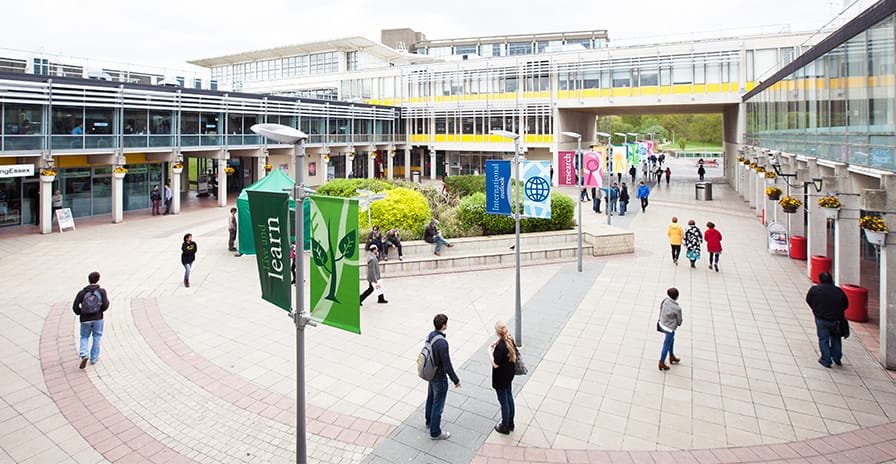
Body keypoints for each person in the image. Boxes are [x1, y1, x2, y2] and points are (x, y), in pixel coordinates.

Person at [424, 313, 460, 440]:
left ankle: (429, 421)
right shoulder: (442, 343)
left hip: (430, 373)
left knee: (431, 397)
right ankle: (435, 432)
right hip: (439, 376)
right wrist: (455, 380)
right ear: (444, 325)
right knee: (438, 404)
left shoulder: (431, 335)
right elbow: (447, 365)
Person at [806, 272, 849, 368]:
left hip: (822, 319)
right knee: (836, 338)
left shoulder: (815, 290)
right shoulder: (838, 291)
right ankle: (837, 357)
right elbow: (845, 304)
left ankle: (826, 359)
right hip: (836, 319)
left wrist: (816, 310)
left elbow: (809, 300)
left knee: (823, 339)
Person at [72, 271, 110, 369]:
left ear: (88, 280)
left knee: (84, 336)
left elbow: (75, 306)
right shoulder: (101, 291)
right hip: (98, 318)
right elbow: (105, 305)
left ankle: (84, 354)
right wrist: (100, 311)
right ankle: (94, 358)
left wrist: (81, 313)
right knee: (97, 336)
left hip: (85, 319)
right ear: (98, 279)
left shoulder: (82, 293)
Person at [490, 321, 516, 434]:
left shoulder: (500, 348)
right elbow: (503, 342)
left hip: (500, 378)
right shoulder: (509, 340)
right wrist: (496, 343)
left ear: (497, 333)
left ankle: (504, 426)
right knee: (509, 396)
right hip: (509, 375)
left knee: (503, 401)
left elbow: (495, 364)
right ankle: (510, 422)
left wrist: (489, 352)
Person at [657, 287, 682, 371]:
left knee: (671, 340)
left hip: (662, 324)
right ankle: (662, 362)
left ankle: (671, 356)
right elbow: (679, 321)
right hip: (669, 328)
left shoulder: (665, 301)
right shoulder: (677, 308)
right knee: (666, 344)